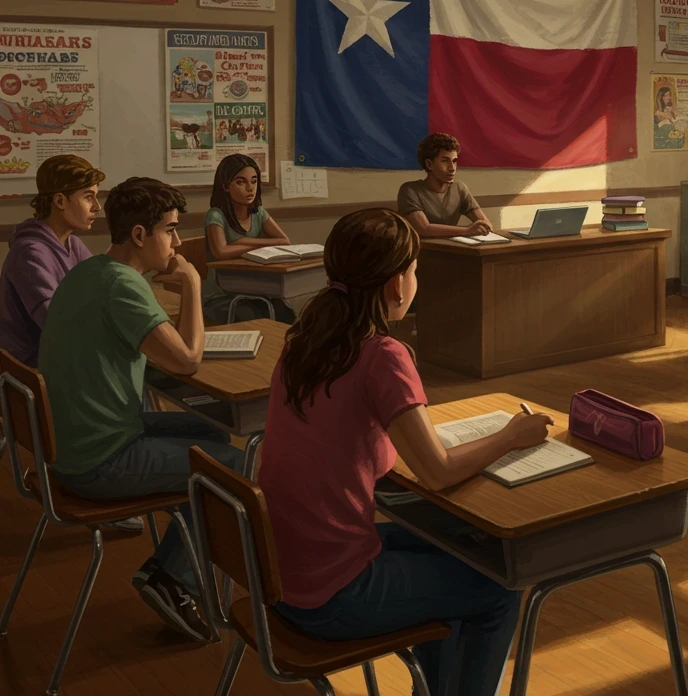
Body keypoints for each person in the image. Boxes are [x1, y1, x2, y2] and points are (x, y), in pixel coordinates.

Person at [259, 209, 547, 696]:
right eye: (414, 269)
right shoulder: (382, 355)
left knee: (461, 553)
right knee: (499, 588)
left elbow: (358, 443)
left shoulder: (303, 341)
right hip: (332, 593)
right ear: (396, 284)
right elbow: (434, 473)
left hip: (279, 574)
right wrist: (509, 437)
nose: (415, 279)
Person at [39, 177, 241, 641]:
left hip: (74, 441)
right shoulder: (124, 286)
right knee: (229, 464)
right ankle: (171, 578)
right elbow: (188, 360)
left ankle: (179, 557)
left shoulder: (91, 271)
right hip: (98, 459)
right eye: (170, 230)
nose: (176, 241)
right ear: (138, 236)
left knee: (210, 434)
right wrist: (192, 285)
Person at [0, 155, 104, 368]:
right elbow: (58, 326)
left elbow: (104, 294)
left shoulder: (73, 245)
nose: (97, 206)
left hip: (66, 359)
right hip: (34, 373)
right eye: (88, 197)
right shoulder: (30, 253)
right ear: (59, 201)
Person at [203, 153, 295, 324]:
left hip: (254, 287)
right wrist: (254, 246)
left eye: (254, 181)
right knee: (251, 316)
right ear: (225, 186)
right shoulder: (215, 215)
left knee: (285, 312)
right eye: (240, 182)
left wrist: (243, 242)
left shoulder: (258, 212)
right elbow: (221, 252)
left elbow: (284, 241)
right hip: (222, 292)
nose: (250, 188)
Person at [398, 133, 493, 240]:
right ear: (429, 164)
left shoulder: (459, 188)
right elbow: (424, 228)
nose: (452, 168)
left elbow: (485, 224)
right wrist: (468, 230)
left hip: (452, 249)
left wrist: (484, 227)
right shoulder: (410, 190)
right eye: (444, 161)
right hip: (422, 252)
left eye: (454, 161)